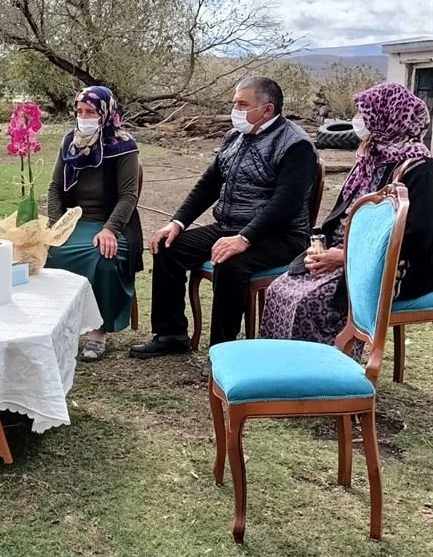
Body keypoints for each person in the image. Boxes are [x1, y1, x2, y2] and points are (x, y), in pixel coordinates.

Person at [129, 76, 318, 358]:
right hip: (230, 226)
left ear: (267, 109)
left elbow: (285, 204)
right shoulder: (235, 137)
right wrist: (177, 222)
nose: (235, 110)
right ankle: (171, 335)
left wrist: (244, 238)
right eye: (234, 104)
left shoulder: (296, 145)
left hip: (281, 235)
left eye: (243, 104)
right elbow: (209, 184)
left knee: (231, 262)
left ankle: (224, 351)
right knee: (169, 247)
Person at [261, 82, 433, 346]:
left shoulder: (420, 170)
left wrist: (346, 258)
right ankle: (280, 370)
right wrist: (322, 248)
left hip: (394, 266)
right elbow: (341, 215)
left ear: (389, 118)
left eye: (366, 114)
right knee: (280, 289)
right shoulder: (370, 159)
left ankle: (324, 374)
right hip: (342, 253)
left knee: (309, 301)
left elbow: (415, 240)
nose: (359, 121)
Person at [46, 86, 143, 361]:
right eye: (79, 111)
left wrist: (110, 229)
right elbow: (54, 188)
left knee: (103, 255)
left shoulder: (123, 145)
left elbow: (128, 196)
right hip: (74, 221)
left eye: (90, 111)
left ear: (105, 113)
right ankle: (58, 325)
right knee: (46, 252)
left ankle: (98, 331)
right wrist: (57, 227)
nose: (84, 116)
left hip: (113, 223)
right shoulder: (69, 142)